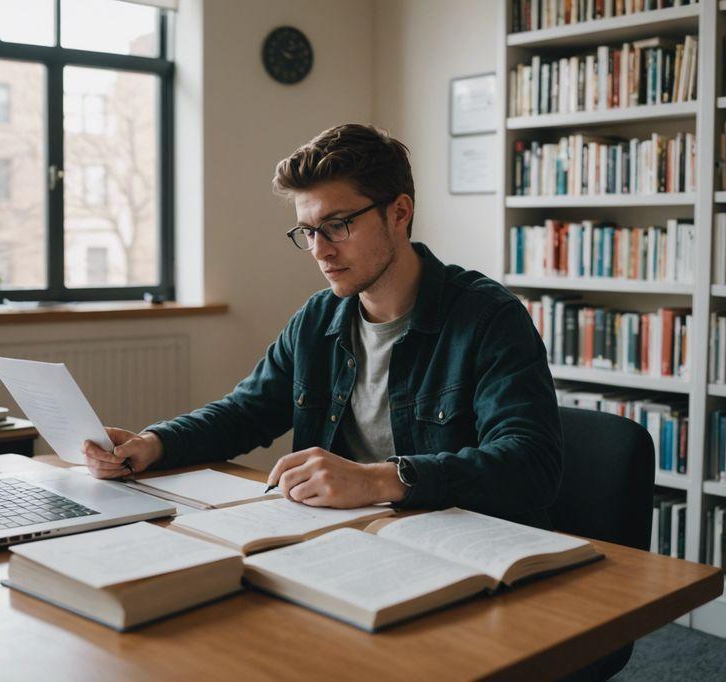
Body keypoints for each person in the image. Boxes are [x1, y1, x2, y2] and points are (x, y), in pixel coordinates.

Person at [83, 123, 563, 527]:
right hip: (337, 539)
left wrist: (378, 479)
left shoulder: (488, 318)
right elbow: (244, 413)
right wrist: (155, 443)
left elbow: (529, 464)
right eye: (309, 232)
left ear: (399, 213)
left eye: (338, 225)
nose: (320, 250)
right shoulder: (318, 319)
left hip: (453, 546)